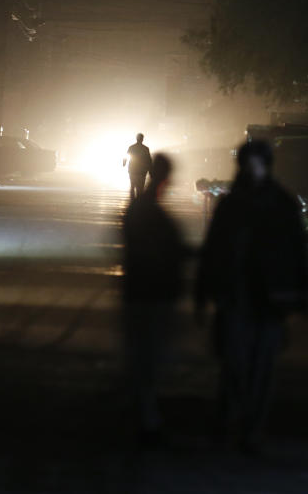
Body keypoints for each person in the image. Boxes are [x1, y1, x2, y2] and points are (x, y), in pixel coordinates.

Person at [196, 140, 308, 453]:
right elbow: (214, 252)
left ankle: (251, 429)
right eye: (248, 163)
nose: (252, 170)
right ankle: (230, 423)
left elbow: (298, 253)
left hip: (270, 303)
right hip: (236, 299)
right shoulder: (232, 205)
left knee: (261, 369)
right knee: (234, 365)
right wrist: (202, 294)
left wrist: (301, 297)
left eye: (257, 163)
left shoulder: (281, 204)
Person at [121, 153, 187, 447]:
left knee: (144, 361)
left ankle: (144, 418)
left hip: (143, 294)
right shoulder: (149, 212)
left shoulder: (142, 208)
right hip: (149, 296)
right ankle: (144, 423)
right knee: (147, 362)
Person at [123, 133, 152, 200]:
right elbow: (149, 160)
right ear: (142, 139)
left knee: (133, 185)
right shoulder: (145, 148)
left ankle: (133, 202)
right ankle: (139, 201)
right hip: (142, 170)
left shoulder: (132, 147)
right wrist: (150, 171)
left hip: (133, 169)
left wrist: (124, 163)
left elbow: (126, 156)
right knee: (140, 187)